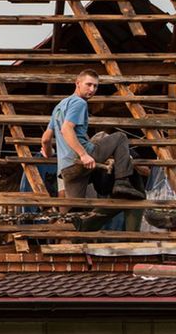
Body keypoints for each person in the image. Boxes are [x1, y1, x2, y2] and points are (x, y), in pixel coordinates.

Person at [40, 69, 145, 229]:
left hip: (67, 170)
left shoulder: (59, 107)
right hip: (84, 157)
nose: (92, 90)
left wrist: (48, 153)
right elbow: (66, 129)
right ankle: (122, 182)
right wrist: (83, 155)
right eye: (88, 85)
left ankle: (75, 246)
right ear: (77, 83)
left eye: (95, 86)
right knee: (119, 138)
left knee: (76, 215)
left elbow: (46, 139)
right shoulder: (79, 103)